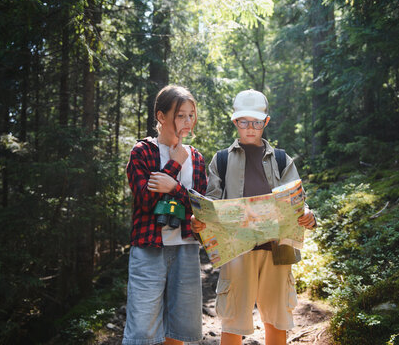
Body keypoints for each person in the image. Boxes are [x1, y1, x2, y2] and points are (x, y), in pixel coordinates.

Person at [190, 89, 316, 345]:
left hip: (277, 249)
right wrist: (200, 221)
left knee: (277, 318)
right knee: (234, 318)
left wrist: (308, 215)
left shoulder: (281, 160)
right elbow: (211, 203)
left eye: (257, 122)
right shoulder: (222, 160)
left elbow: (298, 202)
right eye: (244, 122)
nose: (250, 128)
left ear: (266, 122)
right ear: (235, 121)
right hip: (237, 250)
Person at [123, 85, 207, 345]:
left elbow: (202, 206)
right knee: (142, 331)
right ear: (161, 117)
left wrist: (173, 187)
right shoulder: (142, 152)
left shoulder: (196, 157)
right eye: (181, 115)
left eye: (191, 115)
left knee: (178, 327)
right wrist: (174, 164)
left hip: (186, 247)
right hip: (149, 248)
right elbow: (146, 201)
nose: (188, 121)